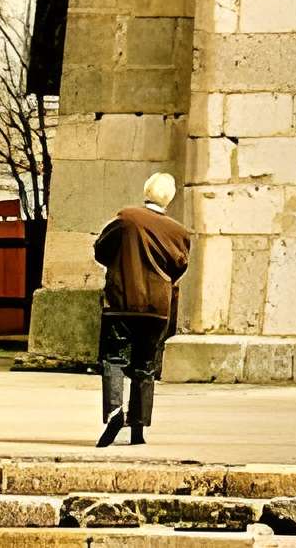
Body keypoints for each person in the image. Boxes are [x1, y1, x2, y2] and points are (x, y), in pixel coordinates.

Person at [92, 172, 189, 447]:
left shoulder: (126, 218)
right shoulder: (179, 232)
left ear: (146, 191)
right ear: (169, 198)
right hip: (157, 308)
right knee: (145, 366)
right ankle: (138, 429)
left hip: (122, 302)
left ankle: (113, 412)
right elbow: (179, 267)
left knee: (113, 359)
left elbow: (101, 250)